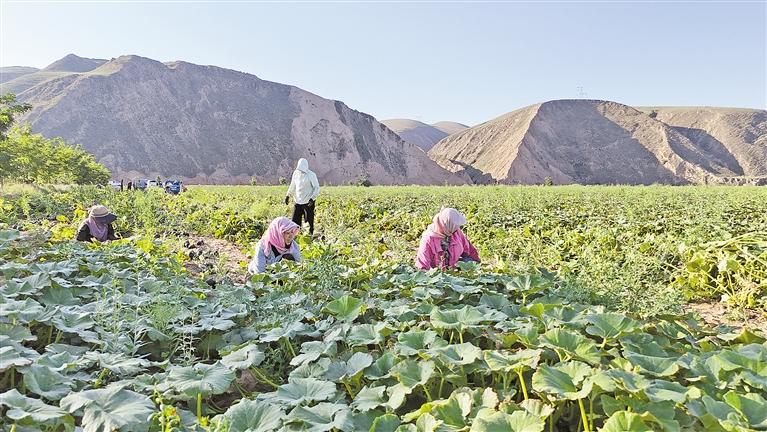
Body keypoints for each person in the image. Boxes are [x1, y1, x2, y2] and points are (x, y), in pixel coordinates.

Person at [415, 208, 480, 270]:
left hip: (453, 268)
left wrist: (476, 262)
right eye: (454, 226)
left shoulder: (455, 232)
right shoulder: (428, 239)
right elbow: (422, 265)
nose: (457, 228)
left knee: (468, 261)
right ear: (447, 225)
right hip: (437, 273)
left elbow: (468, 249)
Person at [285, 158, 320, 235]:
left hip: (308, 202)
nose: (301, 171)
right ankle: (296, 236)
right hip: (297, 201)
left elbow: (316, 188)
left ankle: (310, 235)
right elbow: (292, 185)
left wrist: (312, 198)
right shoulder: (296, 173)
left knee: (308, 222)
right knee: (294, 221)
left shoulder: (311, 175)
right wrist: (288, 195)